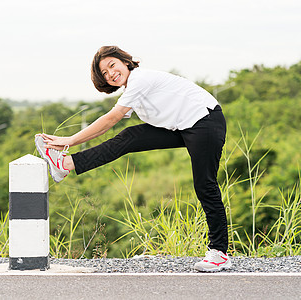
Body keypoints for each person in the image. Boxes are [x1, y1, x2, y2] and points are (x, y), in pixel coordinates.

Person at [35, 46, 230, 272]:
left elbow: (111, 119)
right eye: (105, 74)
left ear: (125, 61)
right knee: (130, 137)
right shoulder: (132, 89)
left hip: (205, 121)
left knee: (205, 184)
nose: (111, 74)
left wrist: (68, 140)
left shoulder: (140, 79)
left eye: (112, 66)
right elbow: (114, 122)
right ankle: (65, 164)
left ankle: (219, 252)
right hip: (184, 126)